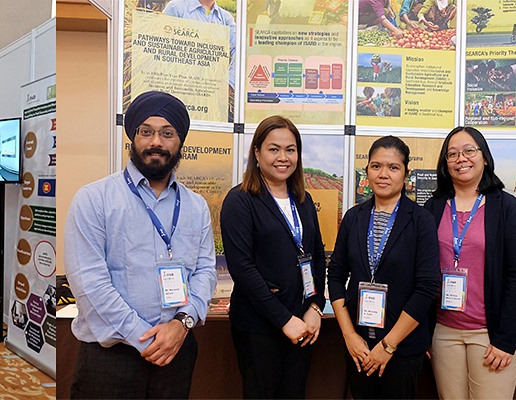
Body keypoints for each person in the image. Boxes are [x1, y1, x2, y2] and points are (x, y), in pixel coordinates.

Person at [65, 91, 217, 399]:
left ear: (180, 142)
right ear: (133, 138)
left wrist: (181, 324)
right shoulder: (94, 199)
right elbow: (90, 284)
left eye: (167, 133)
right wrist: (145, 338)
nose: (156, 142)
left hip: (176, 352)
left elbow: (205, 272)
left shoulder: (196, 206)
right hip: (111, 359)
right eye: (146, 132)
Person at [220, 115, 326, 398]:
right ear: (257, 152)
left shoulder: (302, 200)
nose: (283, 157)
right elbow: (242, 269)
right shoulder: (240, 201)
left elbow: (316, 255)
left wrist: (315, 306)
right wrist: (284, 320)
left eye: (290, 150)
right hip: (260, 326)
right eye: (273, 149)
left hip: (303, 322)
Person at [327, 136, 440, 398]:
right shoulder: (354, 217)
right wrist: (349, 335)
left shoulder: (421, 220)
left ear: (406, 173)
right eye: (376, 166)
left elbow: (426, 288)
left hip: (403, 347)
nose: (383, 174)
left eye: (393, 167)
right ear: (366, 171)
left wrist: (388, 346)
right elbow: (335, 277)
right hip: (359, 346)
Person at [424, 127, 516, 399]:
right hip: (444, 332)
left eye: (469, 150)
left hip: (491, 333)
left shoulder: (507, 207)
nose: (461, 158)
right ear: (445, 163)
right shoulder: (433, 207)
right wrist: (424, 332)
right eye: (452, 153)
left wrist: (505, 340)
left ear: (484, 157)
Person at [162, 0, 237, 121]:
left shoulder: (225, 17)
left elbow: (239, 48)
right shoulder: (176, 7)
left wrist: (229, 83)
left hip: (210, 93)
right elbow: (159, 42)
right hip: (178, 89)